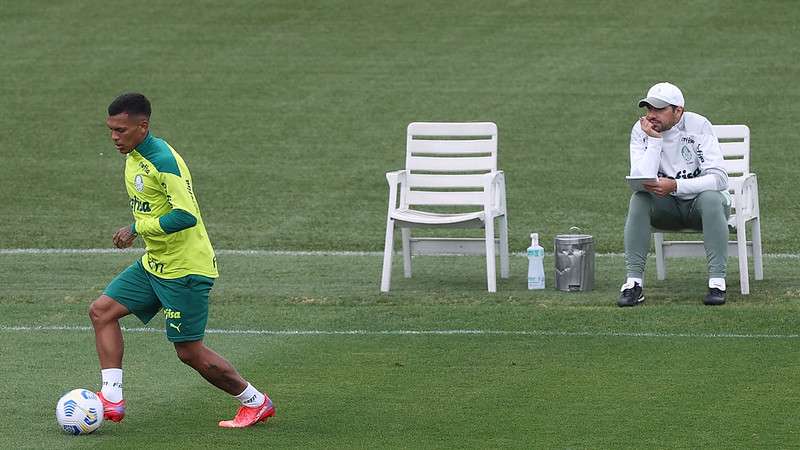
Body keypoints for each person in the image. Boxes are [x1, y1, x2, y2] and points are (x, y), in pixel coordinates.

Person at [89, 93, 275, 428]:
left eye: (121, 130)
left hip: (186, 269)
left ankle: (255, 401)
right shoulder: (134, 154)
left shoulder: (163, 161)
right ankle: (112, 398)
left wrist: (135, 228)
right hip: (156, 261)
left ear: (142, 126)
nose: (114, 137)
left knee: (189, 352)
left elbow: (186, 215)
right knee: (102, 311)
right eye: (111, 130)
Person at [618, 82, 731, 307]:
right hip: (666, 207)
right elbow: (641, 178)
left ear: (678, 111)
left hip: (702, 207)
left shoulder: (699, 126)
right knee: (639, 199)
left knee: (710, 198)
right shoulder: (642, 130)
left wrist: (677, 186)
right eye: (649, 109)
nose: (651, 115)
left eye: (659, 110)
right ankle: (633, 283)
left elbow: (720, 179)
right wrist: (654, 141)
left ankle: (717, 282)